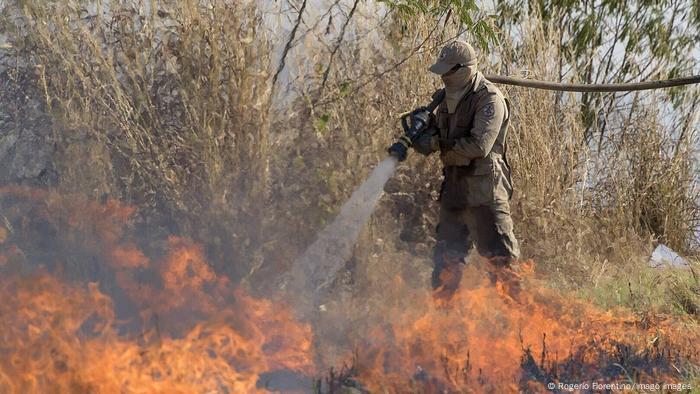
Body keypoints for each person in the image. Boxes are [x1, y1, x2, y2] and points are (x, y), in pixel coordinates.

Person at [411, 40, 520, 294]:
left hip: (485, 194)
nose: (444, 78)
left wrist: (438, 142)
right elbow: (434, 141)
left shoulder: (490, 100)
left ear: (465, 69)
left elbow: (478, 146)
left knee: (502, 265)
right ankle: (443, 324)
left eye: (448, 71)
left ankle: (521, 327)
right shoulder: (444, 100)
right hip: (455, 192)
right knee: (445, 266)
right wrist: (419, 137)